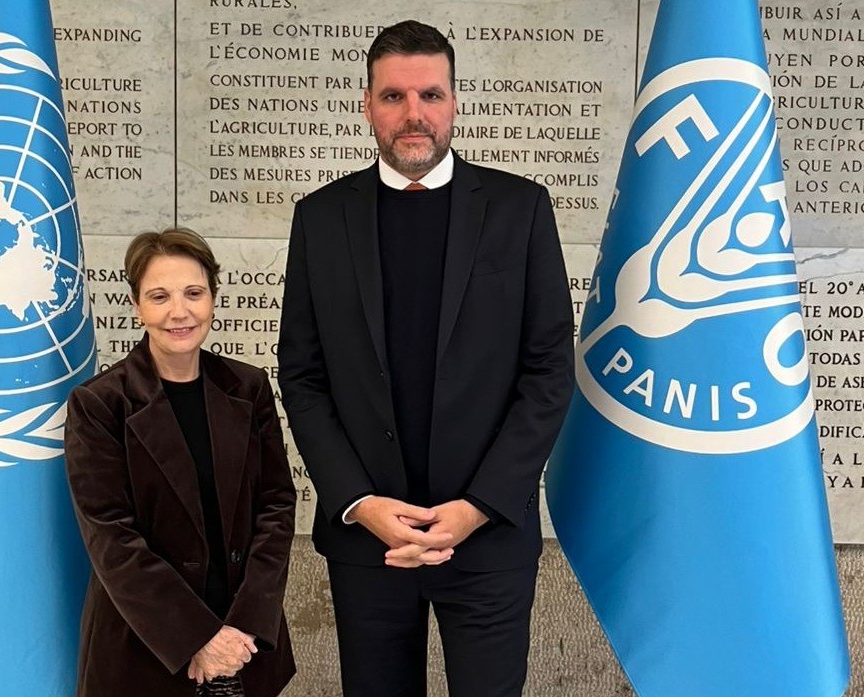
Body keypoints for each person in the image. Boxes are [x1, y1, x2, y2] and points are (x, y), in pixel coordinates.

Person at [277, 19, 575, 697]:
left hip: (487, 535)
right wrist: (356, 500)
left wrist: (477, 504)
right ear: (367, 104)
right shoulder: (320, 217)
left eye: (429, 95)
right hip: (368, 541)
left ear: (454, 102)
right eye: (393, 97)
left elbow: (549, 369)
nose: (413, 114)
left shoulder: (518, 208)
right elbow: (301, 373)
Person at [66, 228, 296, 697]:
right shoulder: (99, 404)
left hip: (243, 642)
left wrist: (246, 626)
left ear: (212, 298)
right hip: (145, 646)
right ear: (137, 306)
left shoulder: (247, 388)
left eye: (194, 293)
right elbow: (110, 534)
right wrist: (196, 638)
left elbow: (276, 505)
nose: (179, 311)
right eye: (159, 296)